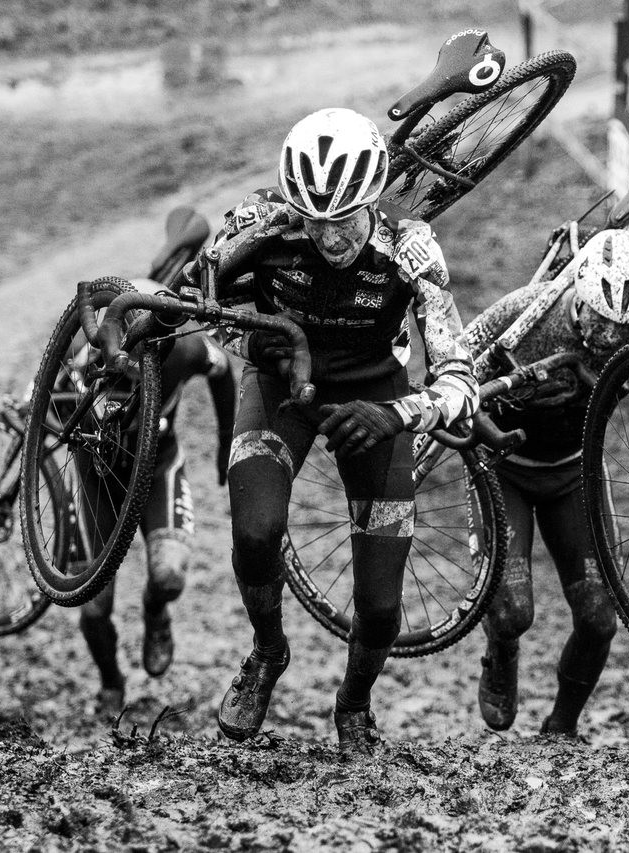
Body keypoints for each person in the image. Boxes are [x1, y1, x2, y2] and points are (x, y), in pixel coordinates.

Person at [205, 107, 478, 755]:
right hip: (280, 384)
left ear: (374, 200)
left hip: (375, 394)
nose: (332, 239)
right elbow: (205, 305)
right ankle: (267, 652)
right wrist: (262, 343)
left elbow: (459, 384)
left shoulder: (409, 248)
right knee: (255, 530)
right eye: (317, 221)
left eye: (347, 219)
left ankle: (354, 705)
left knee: (381, 604)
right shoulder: (260, 224)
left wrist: (397, 413)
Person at [462, 228, 629, 736]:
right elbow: (452, 363)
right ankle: (501, 649)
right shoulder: (529, 309)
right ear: (580, 293)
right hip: (503, 470)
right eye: (600, 317)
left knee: (601, 618)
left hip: (574, 473)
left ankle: (562, 728)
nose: (609, 335)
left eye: (623, 326)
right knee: (514, 612)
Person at [78, 325, 237, 716]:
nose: (127, 370)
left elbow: (224, 368)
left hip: (156, 469)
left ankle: (155, 609)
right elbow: (37, 411)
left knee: (169, 576)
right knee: (95, 606)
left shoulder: (184, 351)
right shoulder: (79, 349)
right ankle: (111, 683)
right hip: (94, 480)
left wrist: (226, 443)